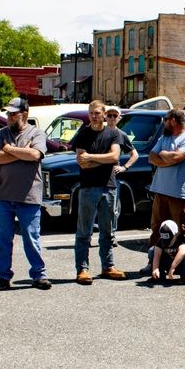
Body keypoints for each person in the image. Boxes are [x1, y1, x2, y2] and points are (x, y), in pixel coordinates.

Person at [0, 97, 51, 290]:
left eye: (13, 113)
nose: (8, 117)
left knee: (31, 237)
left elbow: (35, 155)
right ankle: (3, 276)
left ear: (24, 114)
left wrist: (9, 150)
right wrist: (19, 152)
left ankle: (38, 275)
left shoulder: (37, 133)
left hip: (29, 195)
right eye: (7, 113)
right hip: (3, 195)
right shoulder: (1, 134)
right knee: (2, 239)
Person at [69, 100, 127, 285]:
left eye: (97, 113)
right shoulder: (83, 133)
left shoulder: (113, 133)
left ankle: (108, 266)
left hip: (108, 187)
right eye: (91, 113)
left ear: (104, 114)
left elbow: (115, 157)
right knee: (84, 231)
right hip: (88, 187)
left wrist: (93, 157)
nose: (94, 116)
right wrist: (103, 160)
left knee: (107, 230)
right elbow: (81, 162)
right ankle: (83, 269)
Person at [148, 109, 185, 241]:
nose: (164, 123)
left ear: (173, 121)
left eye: (165, 120)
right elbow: (152, 157)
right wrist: (166, 161)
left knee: (181, 231)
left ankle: (184, 261)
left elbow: (176, 157)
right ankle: (155, 260)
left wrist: (163, 154)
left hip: (179, 195)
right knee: (157, 229)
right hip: (160, 192)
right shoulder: (164, 138)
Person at [105, 105, 137, 220]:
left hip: (113, 176)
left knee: (112, 207)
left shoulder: (121, 135)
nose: (112, 118)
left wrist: (124, 167)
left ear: (119, 118)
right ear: (105, 117)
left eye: (115, 115)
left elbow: (134, 154)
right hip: (98, 174)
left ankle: (112, 232)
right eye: (109, 115)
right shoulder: (100, 132)